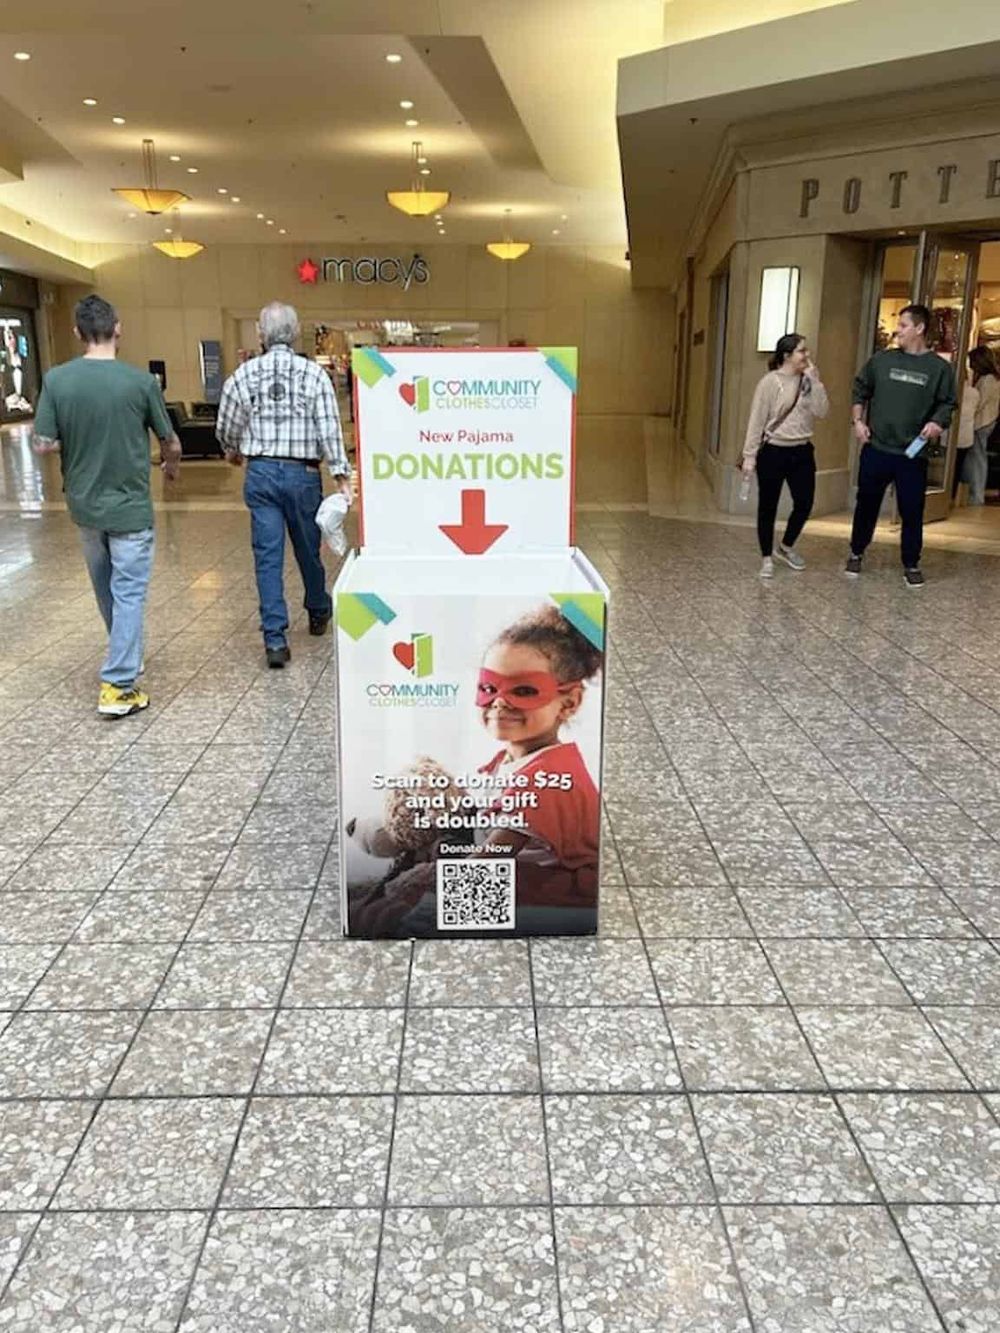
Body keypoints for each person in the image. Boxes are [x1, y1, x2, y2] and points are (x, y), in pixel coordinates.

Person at [349, 603, 603, 937]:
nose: (499, 702)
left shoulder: (546, 781)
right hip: (509, 875)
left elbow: (485, 864)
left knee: (394, 909)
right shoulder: (510, 761)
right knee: (413, 872)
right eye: (489, 688)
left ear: (568, 703)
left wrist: (422, 890)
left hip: (550, 895)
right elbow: (475, 815)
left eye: (524, 690)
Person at [32, 295, 180, 717]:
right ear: (119, 328)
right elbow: (169, 441)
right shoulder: (141, 383)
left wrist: (74, 441)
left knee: (106, 588)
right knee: (129, 591)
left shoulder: (57, 380)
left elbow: (42, 443)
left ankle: (125, 657)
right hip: (130, 506)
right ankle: (118, 685)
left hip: (85, 506)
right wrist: (171, 468)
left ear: (77, 332)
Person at [215, 302, 351, 669]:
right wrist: (341, 476)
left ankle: (275, 640)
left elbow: (226, 425)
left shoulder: (243, 376)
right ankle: (318, 609)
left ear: (260, 335)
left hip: (260, 474)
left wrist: (232, 450)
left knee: (267, 556)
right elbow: (329, 430)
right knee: (309, 548)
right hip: (303, 474)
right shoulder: (314, 375)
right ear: (294, 334)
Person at [847, 304, 957, 588]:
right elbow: (860, 389)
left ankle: (911, 563)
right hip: (877, 448)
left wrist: (937, 423)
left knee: (911, 511)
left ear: (919, 328)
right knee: (866, 505)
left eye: (904, 325)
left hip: (912, 453)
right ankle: (856, 551)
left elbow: (948, 404)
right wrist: (858, 422)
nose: (898, 330)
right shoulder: (881, 361)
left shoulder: (939, 369)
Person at [742, 332, 829, 579]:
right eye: (802, 351)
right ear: (787, 356)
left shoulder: (808, 380)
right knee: (767, 506)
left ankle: (786, 546)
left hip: (802, 450)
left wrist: (816, 383)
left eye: (806, 350)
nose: (807, 355)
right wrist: (749, 455)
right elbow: (756, 420)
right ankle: (766, 558)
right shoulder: (769, 382)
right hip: (773, 451)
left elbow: (822, 411)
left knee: (805, 503)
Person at [966, 346, 999, 506]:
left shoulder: (987, 380)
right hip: (987, 422)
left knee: (978, 460)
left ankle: (976, 496)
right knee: (977, 459)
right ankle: (974, 494)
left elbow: (979, 403)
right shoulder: (993, 378)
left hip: (982, 423)